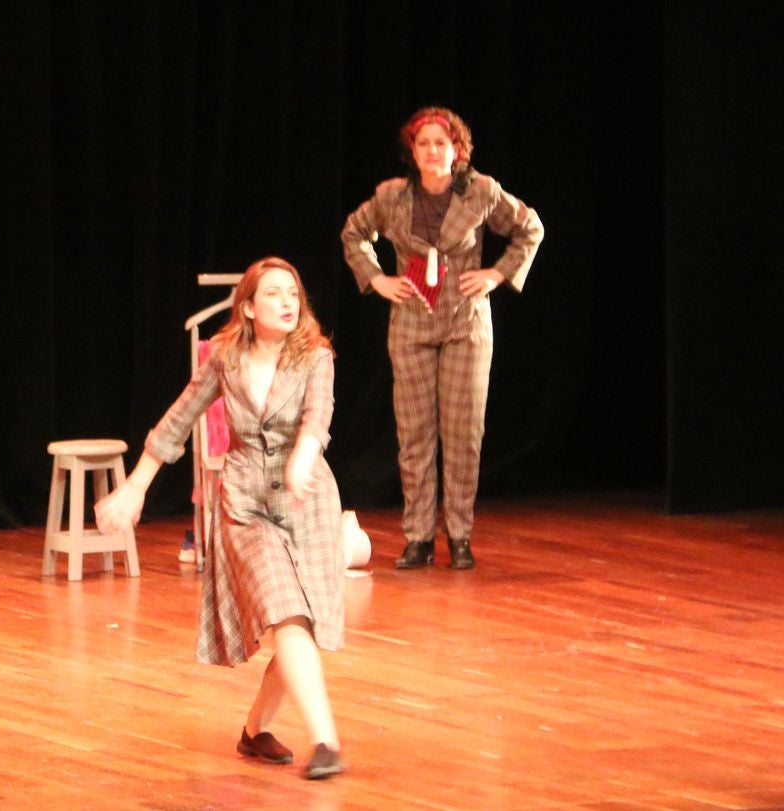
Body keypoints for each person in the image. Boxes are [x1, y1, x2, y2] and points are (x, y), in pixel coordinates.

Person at [97, 257, 346, 780]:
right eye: (274, 294)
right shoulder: (225, 358)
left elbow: (317, 416)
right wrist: (134, 488)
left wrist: (304, 452)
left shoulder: (315, 357)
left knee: (303, 623)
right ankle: (326, 741)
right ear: (249, 307)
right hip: (247, 509)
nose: (287, 303)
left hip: (308, 505)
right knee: (288, 615)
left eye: (293, 295)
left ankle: (255, 731)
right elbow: (177, 422)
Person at [342, 106, 544, 570]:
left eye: (441, 143)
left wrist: (497, 274)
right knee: (414, 435)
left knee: (462, 434)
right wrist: (377, 280)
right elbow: (354, 234)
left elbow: (530, 228)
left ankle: (459, 534)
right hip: (412, 320)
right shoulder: (392, 197)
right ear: (411, 152)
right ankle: (417, 537)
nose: (432, 151)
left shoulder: (481, 192)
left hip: (465, 323)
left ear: (457, 150)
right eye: (423, 143)